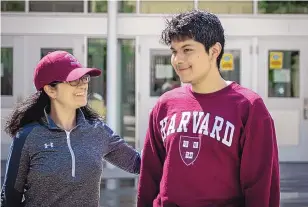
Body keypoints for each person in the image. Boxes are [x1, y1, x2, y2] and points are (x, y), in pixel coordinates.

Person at [137, 10, 280, 207]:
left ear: (214, 51)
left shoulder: (249, 107)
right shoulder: (165, 105)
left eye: (187, 50)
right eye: (174, 51)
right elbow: (149, 176)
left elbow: (260, 186)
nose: (177, 60)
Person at [1, 51, 141, 207]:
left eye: (84, 78)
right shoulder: (27, 137)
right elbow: (9, 199)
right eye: (73, 80)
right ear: (50, 90)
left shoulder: (97, 130)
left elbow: (137, 163)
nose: (83, 84)